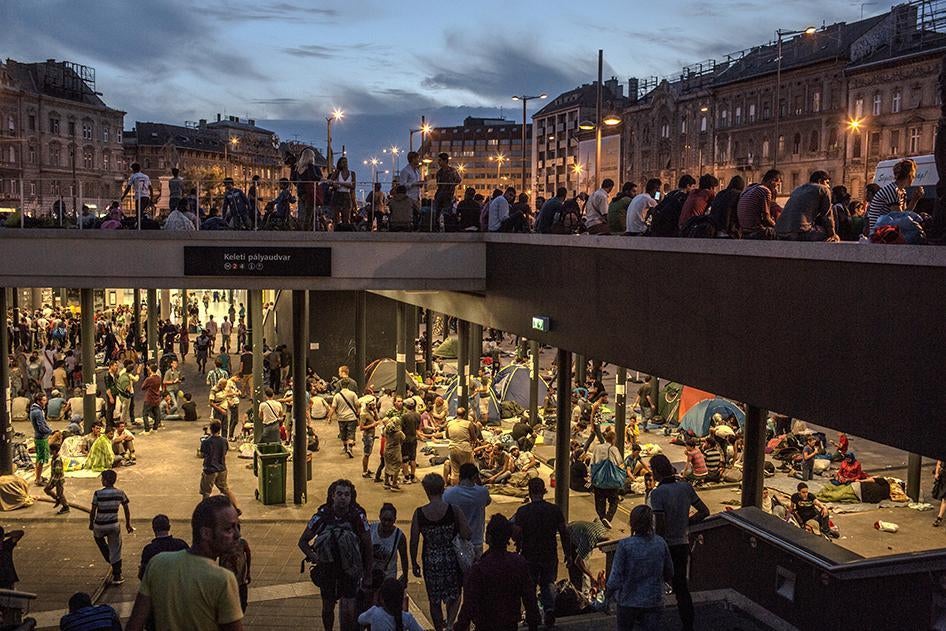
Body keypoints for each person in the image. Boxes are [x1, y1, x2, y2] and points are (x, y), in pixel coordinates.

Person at [126, 496, 244, 631]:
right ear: (206, 533)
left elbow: (135, 624)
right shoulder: (223, 579)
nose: (237, 535)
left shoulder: (157, 563)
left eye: (237, 527)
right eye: (229, 529)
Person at [298, 480, 373, 631]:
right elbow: (303, 541)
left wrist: (368, 573)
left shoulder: (357, 516)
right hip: (328, 570)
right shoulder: (322, 516)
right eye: (339, 494)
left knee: (349, 609)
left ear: (352, 497)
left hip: (350, 570)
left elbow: (367, 544)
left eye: (346, 494)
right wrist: (315, 558)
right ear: (332, 496)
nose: (343, 498)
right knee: (327, 608)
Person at [647, 454, 708, 631]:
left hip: (665, 546)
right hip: (682, 544)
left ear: (657, 471)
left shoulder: (657, 494)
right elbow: (704, 511)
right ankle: (688, 625)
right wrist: (686, 522)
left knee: (655, 586)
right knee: (682, 589)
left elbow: (660, 524)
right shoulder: (686, 488)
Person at [455, 514, 541, 631]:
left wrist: (460, 626)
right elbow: (529, 598)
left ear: (488, 537)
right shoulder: (518, 563)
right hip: (510, 624)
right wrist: (533, 623)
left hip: (485, 625)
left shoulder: (479, 569)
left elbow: (468, 606)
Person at [410, 473, 471, 631]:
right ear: (443, 489)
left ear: (426, 490)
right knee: (455, 593)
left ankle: (439, 627)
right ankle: (450, 624)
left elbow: (414, 540)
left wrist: (414, 562)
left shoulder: (419, 513)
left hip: (431, 560)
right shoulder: (453, 510)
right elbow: (466, 533)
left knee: (434, 599)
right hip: (451, 558)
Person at [511, 477, 569, 628]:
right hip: (549, 553)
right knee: (548, 583)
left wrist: (518, 544)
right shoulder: (554, 510)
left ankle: (532, 615)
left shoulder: (523, 511)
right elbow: (564, 532)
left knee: (529, 587)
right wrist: (568, 553)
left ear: (530, 492)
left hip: (529, 554)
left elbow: (516, 533)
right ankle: (549, 609)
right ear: (543, 491)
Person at [605, 505, 674, 631]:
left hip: (628, 602)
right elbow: (669, 572)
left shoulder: (625, 545)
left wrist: (607, 596)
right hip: (653, 600)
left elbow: (615, 578)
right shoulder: (660, 543)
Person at [90, 469, 134, 585]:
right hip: (113, 525)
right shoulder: (120, 493)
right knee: (116, 548)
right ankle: (117, 575)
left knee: (99, 540)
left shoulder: (97, 493)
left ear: (104, 481)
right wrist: (128, 524)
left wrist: (91, 523)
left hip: (99, 525)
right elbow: (126, 509)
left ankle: (109, 557)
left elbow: (93, 511)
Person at [443, 463, 492, 559]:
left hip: (456, 541)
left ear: (460, 476)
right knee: (476, 571)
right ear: (475, 477)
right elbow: (487, 502)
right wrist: (479, 483)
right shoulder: (482, 492)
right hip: (476, 540)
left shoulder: (449, 493)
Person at [775, 170, 839, 241]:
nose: (828, 186)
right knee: (825, 232)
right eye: (827, 183)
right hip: (800, 232)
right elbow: (827, 216)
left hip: (780, 232)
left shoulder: (797, 189)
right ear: (820, 181)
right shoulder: (823, 189)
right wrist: (832, 235)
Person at [866, 158, 924, 233]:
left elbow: (904, 213)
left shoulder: (902, 191)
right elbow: (900, 217)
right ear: (910, 175)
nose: (914, 178)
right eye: (913, 175)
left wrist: (915, 199)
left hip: (884, 229)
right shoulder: (892, 190)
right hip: (879, 231)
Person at [200, 420, 241, 514]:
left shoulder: (206, 442)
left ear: (211, 429)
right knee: (225, 489)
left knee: (206, 492)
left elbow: (202, 454)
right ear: (220, 429)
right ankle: (236, 508)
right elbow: (225, 452)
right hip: (222, 468)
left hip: (210, 469)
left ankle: (204, 512)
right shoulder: (224, 441)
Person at [358, 577, 424, 631]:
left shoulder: (374, 612)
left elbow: (360, 620)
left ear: (382, 599)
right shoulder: (407, 617)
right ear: (401, 600)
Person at [370, 503, 409, 589]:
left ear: (395, 520)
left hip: (388, 577)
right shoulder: (370, 529)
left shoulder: (399, 536)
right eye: (384, 519)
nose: (386, 523)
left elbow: (404, 558)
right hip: (370, 576)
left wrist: (405, 577)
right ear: (379, 517)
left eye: (389, 520)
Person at [590, 428, 623, 528]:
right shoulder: (614, 449)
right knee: (614, 501)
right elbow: (620, 463)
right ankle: (607, 518)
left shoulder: (597, 448)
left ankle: (602, 518)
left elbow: (592, 463)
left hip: (599, 480)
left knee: (600, 501)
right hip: (611, 481)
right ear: (613, 440)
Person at [139, 513, 189, 580]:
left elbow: (142, 575)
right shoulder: (181, 545)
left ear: (153, 528)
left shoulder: (149, 549)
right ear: (169, 527)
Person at [219, 535, 252, 613]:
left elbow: (248, 553)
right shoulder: (223, 544)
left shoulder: (242, 543)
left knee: (242, 602)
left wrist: (248, 572)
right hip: (228, 580)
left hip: (241, 579)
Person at [293, 147, 322, 231]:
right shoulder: (311, 166)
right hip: (310, 192)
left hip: (301, 193)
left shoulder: (298, 168)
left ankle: (303, 230)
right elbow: (315, 177)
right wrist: (325, 180)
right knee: (310, 214)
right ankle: (308, 232)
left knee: (302, 214)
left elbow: (294, 180)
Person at [445, 409, 476, 485]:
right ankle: (465, 488)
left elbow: (447, 436)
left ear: (456, 414)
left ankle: (455, 489)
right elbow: (474, 437)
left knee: (455, 472)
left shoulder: (450, 423)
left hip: (453, 448)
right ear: (465, 415)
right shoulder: (468, 423)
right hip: (464, 448)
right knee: (466, 471)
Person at [330, 384, 361, 458]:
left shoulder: (337, 395)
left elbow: (333, 407)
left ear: (340, 385)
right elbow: (357, 404)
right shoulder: (353, 394)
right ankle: (350, 448)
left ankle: (345, 447)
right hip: (351, 417)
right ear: (348, 385)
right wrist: (358, 412)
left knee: (343, 433)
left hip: (341, 418)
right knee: (351, 433)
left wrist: (329, 417)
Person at [433, 153, 462, 230]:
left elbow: (459, 180)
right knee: (436, 213)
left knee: (447, 213)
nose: (438, 162)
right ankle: (436, 227)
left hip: (448, 195)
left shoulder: (452, 171)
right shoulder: (439, 172)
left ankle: (448, 228)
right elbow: (438, 184)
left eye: (440, 160)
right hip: (440, 194)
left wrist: (451, 186)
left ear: (445, 161)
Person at [30, 392, 52, 485]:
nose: (45, 402)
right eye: (43, 400)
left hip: (38, 436)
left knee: (39, 458)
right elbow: (41, 427)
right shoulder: (38, 412)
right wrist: (49, 431)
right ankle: (38, 479)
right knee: (41, 459)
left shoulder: (33, 410)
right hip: (41, 437)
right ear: (38, 401)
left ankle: (38, 476)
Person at [329, 156, 357, 226]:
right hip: (337, 195)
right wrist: (334, 184)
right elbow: (330, 182)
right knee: (336, 217)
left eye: (346, 162)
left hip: (346, 195)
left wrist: (341, 183)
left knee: (346, 217)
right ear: (340, 164)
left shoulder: (352, 173)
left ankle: (345, 232)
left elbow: (353, 186)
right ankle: (336, 231)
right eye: (343, 162)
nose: (345, 164)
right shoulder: (337, 172)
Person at [400, 398, 421, 483]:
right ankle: (413, 476)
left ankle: (406, 477)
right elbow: (418, 428)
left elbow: (401, 428)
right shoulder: (418, 415)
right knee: (413, 459)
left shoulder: (404, 416)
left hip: (405, 439)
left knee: (405, 459)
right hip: (414, 439)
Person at [140, 363, 163, 434]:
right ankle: (155, 428)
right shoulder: (159, 378)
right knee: (157, 413)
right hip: (156, 398)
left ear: (150, 370)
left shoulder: (149, 379)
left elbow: (143, 387)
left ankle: (147, 429)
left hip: (149, 398)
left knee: (145, 414)